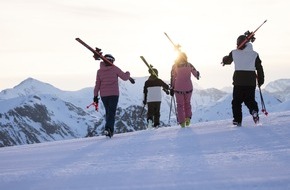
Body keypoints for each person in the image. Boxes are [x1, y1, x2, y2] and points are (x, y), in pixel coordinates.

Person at [222, 35, 265, 126]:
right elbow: (259, 68)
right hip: (250, 82)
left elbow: (228, 61)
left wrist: (224, 60)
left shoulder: (234, 53)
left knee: (236, 102)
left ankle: (237, 120)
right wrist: (260, 80)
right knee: (250, 100)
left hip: (239, 82)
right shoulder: (254, 54)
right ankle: (254, 112)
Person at [93, 54, 131, 137]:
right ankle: (109, 129)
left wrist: (95, 96)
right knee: (111, 113)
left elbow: (97, 85)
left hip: (104, 95)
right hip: (113, 94)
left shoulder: (99, 71)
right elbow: (124, 77)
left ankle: (108, 130)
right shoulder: (115, 69)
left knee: (108, 112)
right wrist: (128, 73)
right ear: (111, 61)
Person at [170, 52, 200, 128]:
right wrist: (198, 74)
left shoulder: (174, 66)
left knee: (180, 105)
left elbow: (173, 78)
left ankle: (182, 123)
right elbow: (196, 74)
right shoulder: (189, 65)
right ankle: (188, 120)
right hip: (188, 88)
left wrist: (172, 88)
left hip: (178, 88)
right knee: (187, 103)